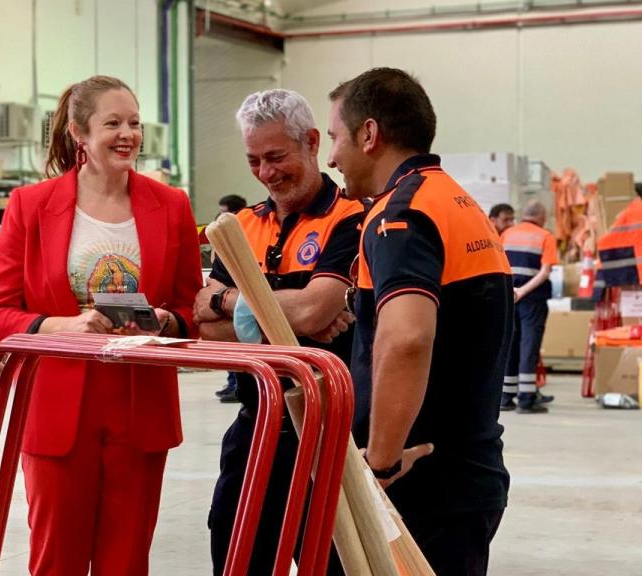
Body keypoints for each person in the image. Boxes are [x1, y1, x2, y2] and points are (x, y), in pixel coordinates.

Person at [0, 75, 202, 575]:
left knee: (126, 560)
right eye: (113, 123)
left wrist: (167, 320)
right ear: (80, 133)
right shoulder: (31, 207)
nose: (128, 134)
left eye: (135, 123)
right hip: (58, 408)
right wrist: (64, 326)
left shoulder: (171, 206)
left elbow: (191, 308)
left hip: (140, 403)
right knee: (57, 557)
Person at [326, 67, 511, 575]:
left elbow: (406, 339)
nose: (331, 158)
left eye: (336, 137)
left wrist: (380, 462)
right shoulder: (454, 200)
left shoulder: (398, 216)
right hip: (466, 472)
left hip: (420, 486)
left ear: (369, 134)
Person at [193, 89, 362, 575]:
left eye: (276, 157)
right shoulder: (240, 225)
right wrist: (289, 313)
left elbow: (314, 310)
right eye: (253, 160)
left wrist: (230, 304)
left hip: (327, 434)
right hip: (253, 430)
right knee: (236, 558)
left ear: (312, 142)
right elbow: (206, 325)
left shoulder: (351, 218)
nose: (266, 173)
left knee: (333, 563)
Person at [500, 200, 558, 413]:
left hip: (509, 296)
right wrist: (524, 291)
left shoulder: (507, 234)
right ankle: (526, 398)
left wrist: (511, 292)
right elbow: (545, 272)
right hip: (531, 299)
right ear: (542, 217)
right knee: (529, 346)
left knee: (511, 344)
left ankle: (506, 397)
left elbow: (498, 264)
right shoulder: (545, 237)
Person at [213, 193, 249, 404]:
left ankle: (237, 384)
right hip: (226, 285)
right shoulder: (220, 228)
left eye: (225, 211)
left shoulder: (244, 229)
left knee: (243, 341)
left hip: (239, 290)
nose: (221, 215)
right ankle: (232, 383)